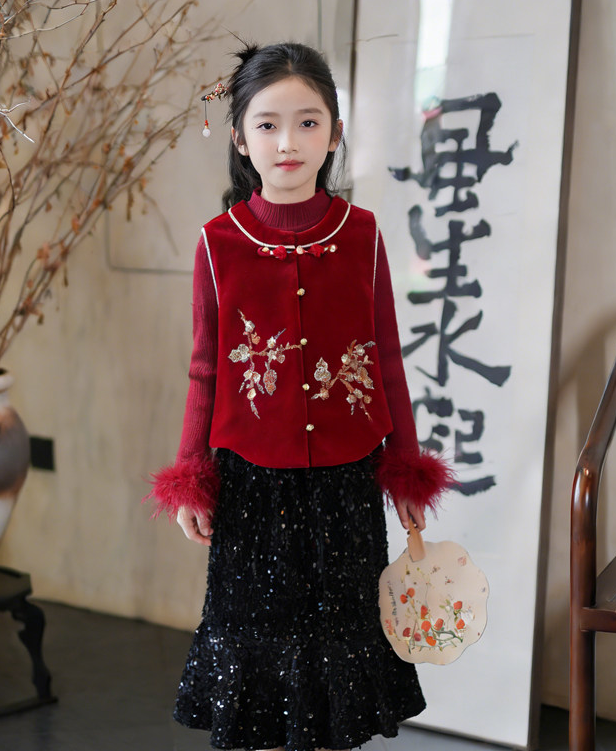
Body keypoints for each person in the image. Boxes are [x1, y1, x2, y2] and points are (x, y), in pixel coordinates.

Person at [147, 42, 454, 751]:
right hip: (251, 488)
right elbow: (205, 370)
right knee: (259, 658)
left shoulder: (363, 234)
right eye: (268, 125)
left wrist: (406, 470)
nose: (288, 143)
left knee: (339, 655)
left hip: (347, 485)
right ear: (239, 137)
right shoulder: (217, 243)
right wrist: (191, 476)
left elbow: (385, 356)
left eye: (308, 123)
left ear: (335, 133)